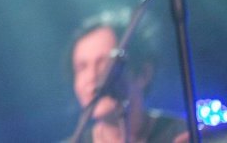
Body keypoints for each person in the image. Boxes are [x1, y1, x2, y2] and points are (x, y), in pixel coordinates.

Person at [67, 8, 189, 143]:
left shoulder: (185, 135)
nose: (92, 76)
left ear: (144, 73)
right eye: (82, 67)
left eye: (104, 63)